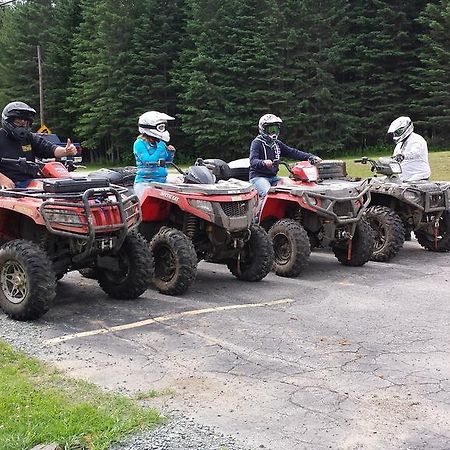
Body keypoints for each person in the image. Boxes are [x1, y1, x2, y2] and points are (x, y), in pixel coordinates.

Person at [0, 101, 78, 189]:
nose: (22, 124)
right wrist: (2, 179)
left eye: (25, 122)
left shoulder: (29, 138)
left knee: (58, 188)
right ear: (8, 121)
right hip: (8, 186)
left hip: (29, 183)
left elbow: (49, 148)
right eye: (18, 122)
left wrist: (65, 151)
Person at [249, 114, 321, 198]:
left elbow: (293, 152)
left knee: (294, 188)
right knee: (268, 194)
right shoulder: (257, 143)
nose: (274, 132)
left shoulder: (277, 144)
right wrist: (263, 162)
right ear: (263, 129)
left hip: (274, 177)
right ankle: (260, 210)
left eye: (275, 129)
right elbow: (253, 161)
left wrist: (310, 156)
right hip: (258, 177)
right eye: (271, 129)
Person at [133, 110, 176, 198]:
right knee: (146, 209)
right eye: (160, 127)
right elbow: (149, 161)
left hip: (162, 182)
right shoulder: (139, 143)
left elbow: (166, 163)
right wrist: (159, 148)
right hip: (145, 183)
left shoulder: (160, 143)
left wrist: (171, 153)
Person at [388, 116, 431, 182]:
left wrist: (403, 156)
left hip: (418, 178)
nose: (395, 135)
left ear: (406, 128)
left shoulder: (417, 139)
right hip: (404, 179)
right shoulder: (400, 144)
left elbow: (415, 152)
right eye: (394, 133)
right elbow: (395, 157)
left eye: (398, 132)